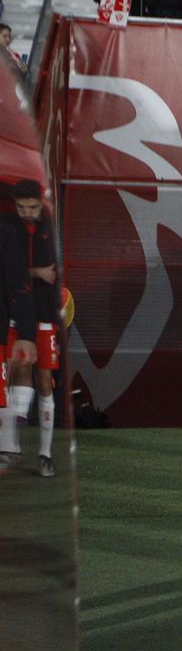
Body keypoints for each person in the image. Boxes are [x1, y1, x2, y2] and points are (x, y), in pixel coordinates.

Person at [6, 182, 61, 476]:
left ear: (41, 204)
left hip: (44, 314)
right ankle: (12, 449)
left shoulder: (51, 229)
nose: (27, 213)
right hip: (17, 313)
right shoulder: (9, 227)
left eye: (32, 207)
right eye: (21, 207)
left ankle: (45, 453)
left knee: (43, 380)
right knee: (16, 371)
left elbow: (56, 274)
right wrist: (37, 272)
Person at [0, 212, 38, 475]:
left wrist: (25, 331)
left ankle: (9, 447)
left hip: (6, 324)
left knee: (12, 375)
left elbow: (18, 284)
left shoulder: (6, 231)